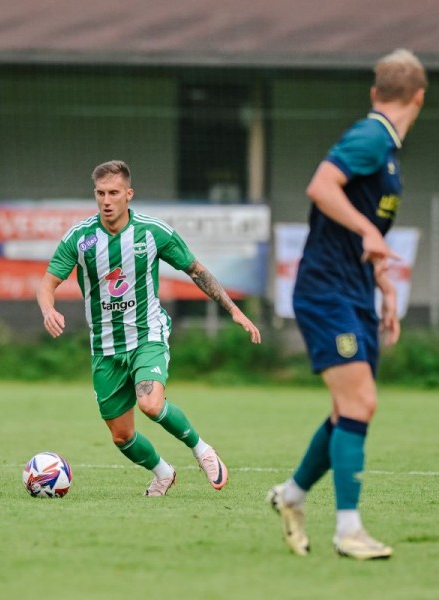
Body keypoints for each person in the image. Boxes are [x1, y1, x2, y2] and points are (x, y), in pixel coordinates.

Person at [267, 49, 427, 559]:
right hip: (326, 290)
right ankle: (348, 530)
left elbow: (364, 230)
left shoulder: (386, 150)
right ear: (420, 97)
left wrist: (384, 282)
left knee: (347, 410)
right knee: (361, 404)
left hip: (354, 290)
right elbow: (321, 186)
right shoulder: (371, 137)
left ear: (376, 91)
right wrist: (366, 232)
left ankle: (291, 496)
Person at [38, 160, 261, 496]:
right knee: (121, 436)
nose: (106, 200)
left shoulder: (152, 232)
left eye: (114, 193)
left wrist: (234, 311)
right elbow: (47, 283)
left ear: (129, 194)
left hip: (147, 335)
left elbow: (196, 270)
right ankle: (163, 473)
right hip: (105, 348)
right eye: (100, 193)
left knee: (151, 404)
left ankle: (202, 450)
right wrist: (47, 308)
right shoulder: (81, 238)